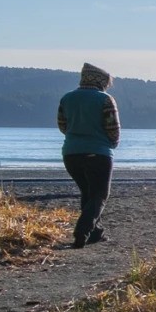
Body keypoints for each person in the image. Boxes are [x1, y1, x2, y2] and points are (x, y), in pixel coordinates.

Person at [56, 63, 120, 248]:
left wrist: (76, 137)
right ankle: (81, 232)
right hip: (98, 152)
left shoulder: (67, 98)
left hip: (71, 153)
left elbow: (62, 125)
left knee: (88, 192)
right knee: (100, 195)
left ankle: (95, 232)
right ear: (101, 81)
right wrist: (113, 143)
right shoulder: (105, 99)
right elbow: (113, 127)